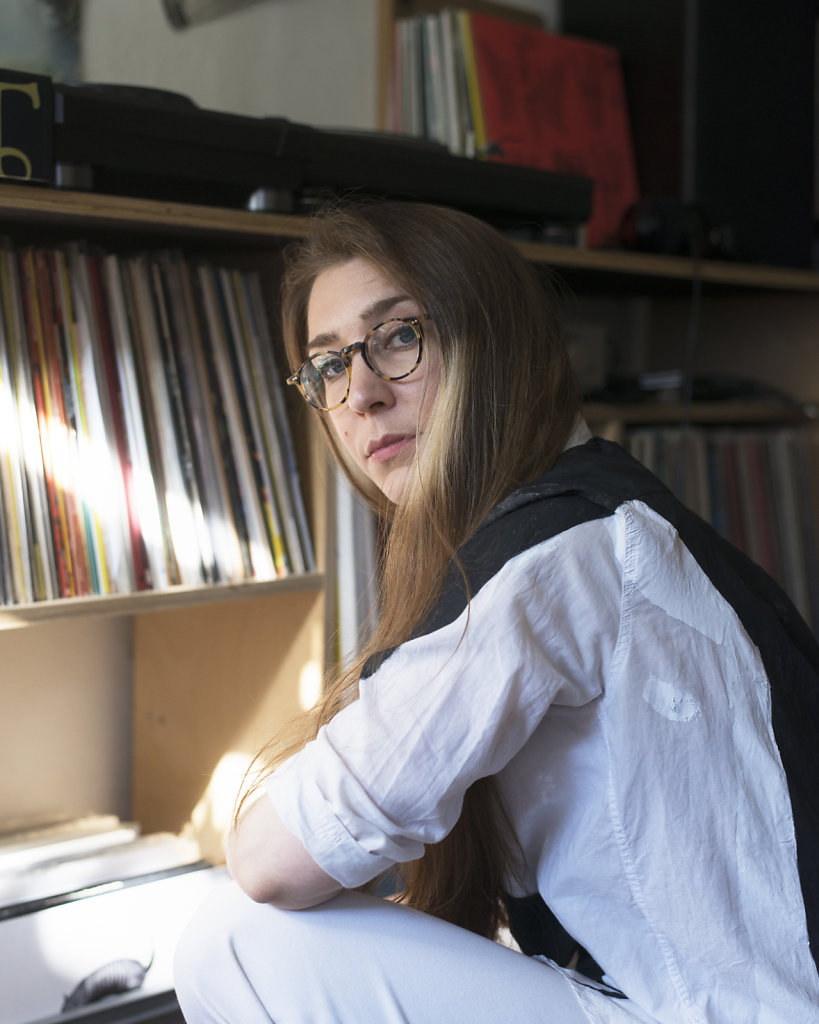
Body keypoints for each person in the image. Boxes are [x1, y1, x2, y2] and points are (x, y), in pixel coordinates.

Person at [173, 199, 819, 1023]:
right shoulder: (609, 510)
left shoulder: (553, 555)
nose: (361, 393)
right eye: (328, 366)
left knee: (235, 937)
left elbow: (270, 860)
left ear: (493, 342)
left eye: (398, 336)